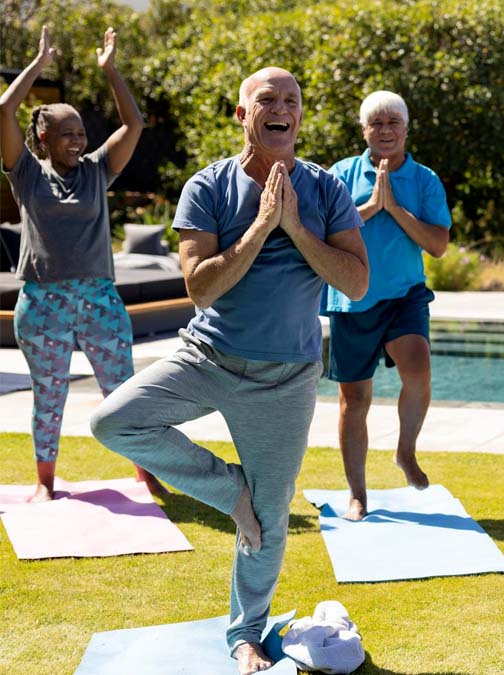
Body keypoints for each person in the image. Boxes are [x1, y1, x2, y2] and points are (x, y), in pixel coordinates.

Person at [90, 67, 369, 674]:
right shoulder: (207, 187)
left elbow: (356, 280)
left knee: (268, 528)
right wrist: (262, 226)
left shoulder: (324, 190)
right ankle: (229, 490)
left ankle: (244, 635)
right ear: (242, 115)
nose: (281, 108)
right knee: (114, 422)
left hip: (287, 376)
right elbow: (200, 289)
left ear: (299, 116)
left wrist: (294, 225)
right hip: (207, 357)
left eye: (292, 100)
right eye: (266, 100)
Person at [0, 26, 163, 501]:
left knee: (124, 392)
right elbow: (4, 111)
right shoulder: (26, 173)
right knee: (49, 397)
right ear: (44, 137)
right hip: (43, 301)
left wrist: (110, 70)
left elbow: (133, 125)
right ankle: (45, 484)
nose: (78, 140)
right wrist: (37, 64)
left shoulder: (97, 170)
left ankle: (144, 475)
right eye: (67, 134)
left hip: (98, 297)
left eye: (82, 133)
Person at [325, 90, 451, 520]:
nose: (384, 131)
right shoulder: (340, 174)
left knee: (418, 368)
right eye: (376, 124)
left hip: (405, 295)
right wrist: (371, 207)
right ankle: (357, 493)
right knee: (354, 400)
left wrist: (394, 208)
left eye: (392, 122)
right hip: (352, 297)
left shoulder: (424, 179)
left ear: (406, 129)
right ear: (364, 131)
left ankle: (405, 451)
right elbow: (322, 235)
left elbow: (438, 245)